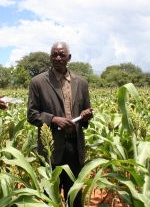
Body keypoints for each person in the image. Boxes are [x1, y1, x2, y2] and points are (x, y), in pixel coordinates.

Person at [27, 42, 93, 207]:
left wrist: (86, 116)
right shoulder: (38, 82)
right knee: (51, 194)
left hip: (75, 145)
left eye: (62, 54)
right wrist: (54, 119)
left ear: (68, 58)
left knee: (75, 195)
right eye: (54, 54)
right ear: (50, 58)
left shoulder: (82, 83)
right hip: (52, 146)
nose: (58, 58)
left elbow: (86, 111)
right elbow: (32, 115)